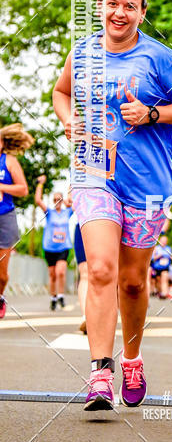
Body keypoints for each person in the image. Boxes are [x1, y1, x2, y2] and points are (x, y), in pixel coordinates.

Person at [52, 0, 172, 412]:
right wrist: (67, 120)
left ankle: (132, 360)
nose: (119, 12)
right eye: (112, 3)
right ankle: (100, 372)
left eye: (129, 6)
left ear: (142, 11)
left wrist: (153, 114)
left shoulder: (160, 58)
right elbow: (61, 93)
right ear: (100, 6)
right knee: (99, 268)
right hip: (93, 173)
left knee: (134, 282)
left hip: (147, 184)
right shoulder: (81, 53)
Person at [0, 124, 32, 319]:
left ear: (3, 144)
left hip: (5, 217)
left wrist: (2, 187)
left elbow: (23, 189)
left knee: (2, 275)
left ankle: (0, 297)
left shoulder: (9, 161)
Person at [34, 176, 73, 310]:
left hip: (63, 247)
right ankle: (53, 297)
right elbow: (38, 200)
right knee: (52, 274)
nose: (57, 201)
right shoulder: (49, 213)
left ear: (62, 201)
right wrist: (40, 184)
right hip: (49, 248)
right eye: (55, 199)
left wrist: (70, 200)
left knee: (60, 272)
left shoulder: (67, 212)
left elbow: (77, 204)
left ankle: (61, 295)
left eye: (59, 199)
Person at [72, 204, 88, 334]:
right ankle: (86, 317)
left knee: (107, 274)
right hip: (84, 223)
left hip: (113, 223)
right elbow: (70, 201)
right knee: (85, 273)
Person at [150, 234, 172, 299]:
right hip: (156, 267)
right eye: (162, 241)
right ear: (159, 241)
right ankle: (157, 291)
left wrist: (170, 257)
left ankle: (164, 294)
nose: (164, 242)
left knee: (164, 279)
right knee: (157, 281)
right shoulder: (156, 248)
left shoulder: (168, 248)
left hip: (165, 267)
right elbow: (152, 258)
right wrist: (159, 256)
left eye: (165, 241)